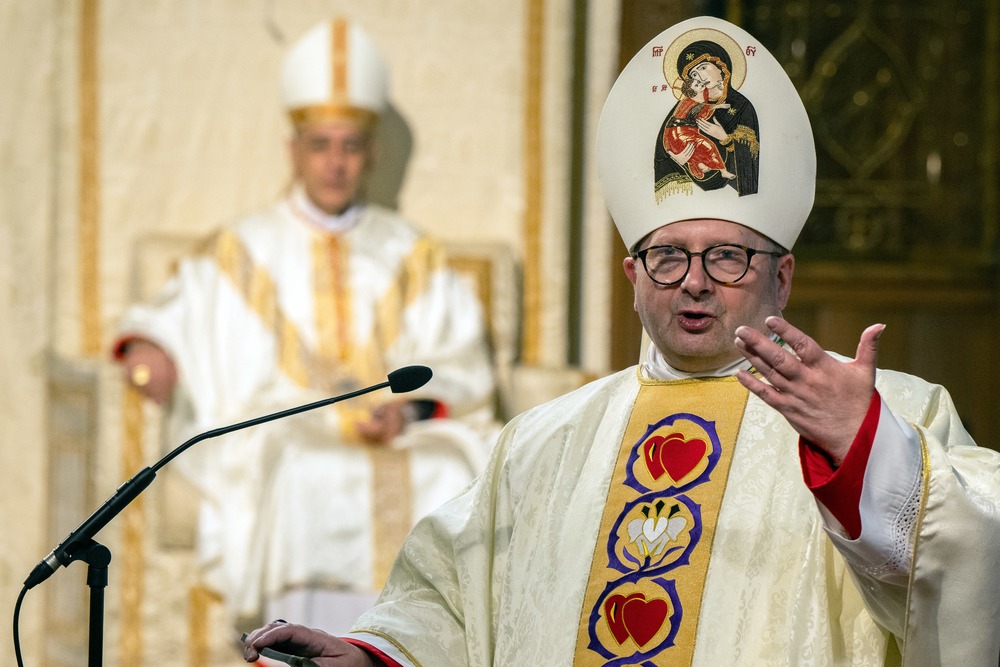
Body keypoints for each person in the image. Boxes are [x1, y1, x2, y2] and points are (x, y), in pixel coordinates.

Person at [241, 16, 1000, 667]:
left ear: (785, 275)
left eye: (729, 254)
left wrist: (865, 456)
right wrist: (371, 655)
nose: (695, 281)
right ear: (633, 274)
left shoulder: (891, 412)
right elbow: (449, 600)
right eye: (669, 255)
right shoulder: (544, 443)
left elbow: (977, 560)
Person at [112, 17, 499, 634]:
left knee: (451, 472)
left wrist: (409, 410)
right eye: (321, 145)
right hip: (288, 426)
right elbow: (174, 312)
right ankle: (295, 646)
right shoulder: (244, 249)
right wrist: (149, 347)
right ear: (293, 150)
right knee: (301, 471)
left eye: (350, 146)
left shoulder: (411, 253)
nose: (336, 164)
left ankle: (415, 648)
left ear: (371, 151)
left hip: (394, 430)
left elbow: (458, 363)